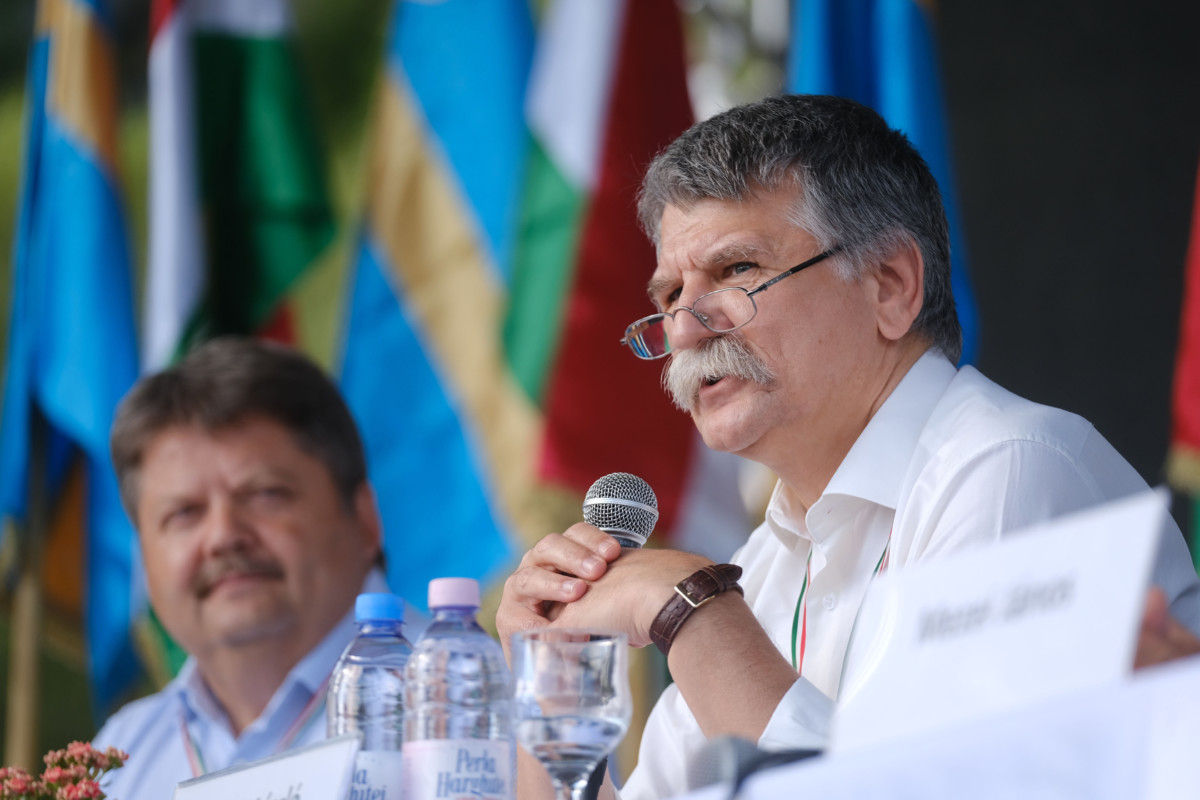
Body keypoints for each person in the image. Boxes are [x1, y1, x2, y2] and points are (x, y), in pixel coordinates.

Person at [496, 94, 1200, 799]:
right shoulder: (767, 556)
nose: (684, 328)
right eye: (671, 295)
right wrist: (551, 688)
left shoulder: (1010, 468)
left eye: (737, 269)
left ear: (890, 286)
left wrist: (690, 610)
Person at [93, 337, 425, 799]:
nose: (223, 535)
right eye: (184, 513)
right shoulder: (119, 756)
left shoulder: (463, 704)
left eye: (265, 494)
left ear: (366, 519)